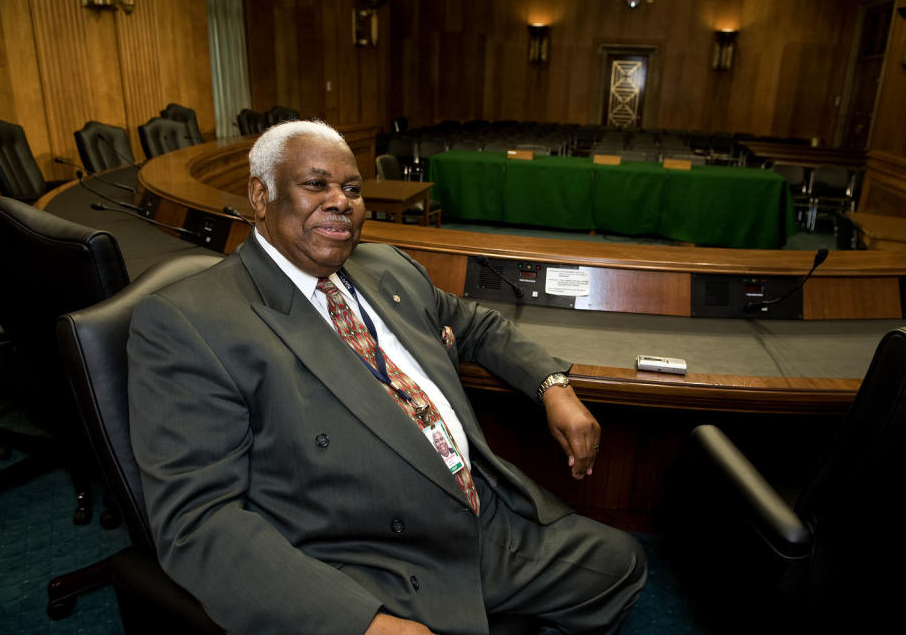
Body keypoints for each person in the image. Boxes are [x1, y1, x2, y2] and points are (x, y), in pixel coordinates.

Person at [128, 119, 646, 635]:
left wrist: (552, 386)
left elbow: (476, 324)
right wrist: (363, 623)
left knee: (622, 564)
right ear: (259, 196)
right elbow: (199, 524)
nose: (341, 201)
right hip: (373, 560)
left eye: (352, 188)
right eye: (316, 185)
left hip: (481, 518)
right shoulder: (188, 321)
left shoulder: (387, 267)